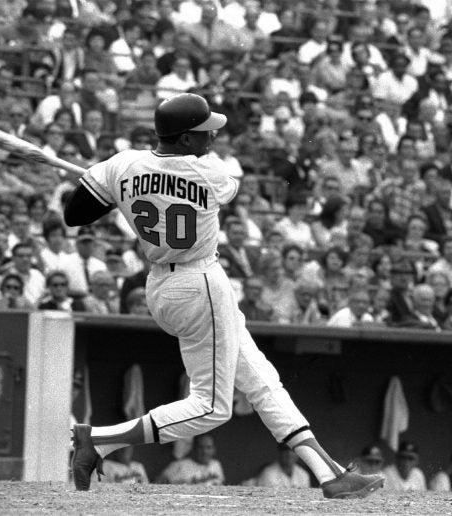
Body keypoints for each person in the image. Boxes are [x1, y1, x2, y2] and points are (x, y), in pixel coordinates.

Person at [64, 93, 384, 499]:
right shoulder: (210, 172)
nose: (212, 136)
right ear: (182, 139)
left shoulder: (123, 163)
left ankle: (329, 473)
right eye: (203, 132)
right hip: (200, 284)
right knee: (212, 407)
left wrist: (114, 187)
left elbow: (75, 214)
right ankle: (99, 439)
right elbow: (225, 188)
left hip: (162, 285)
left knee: (263, 380)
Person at [156, 432, 224, 485]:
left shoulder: (216, 465)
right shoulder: (178, 465)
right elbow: (157, 483)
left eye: (208, 447)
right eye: (201, 447)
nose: (205, 451)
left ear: (214, 449)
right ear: (194, 448)